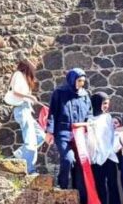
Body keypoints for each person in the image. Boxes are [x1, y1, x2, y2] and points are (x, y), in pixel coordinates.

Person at [45, 68, 92, 201]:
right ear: (72, 79)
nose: (81, 84)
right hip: (63, 132)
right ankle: (63, 186)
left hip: (80, 135)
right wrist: (50, 131)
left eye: (83, 81)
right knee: (68, 159)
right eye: (79, 80)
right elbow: (52, 112)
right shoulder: (59, 93)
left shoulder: (85, 95)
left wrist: (87, 125)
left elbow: (89, 113)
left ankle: (80, 196)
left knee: (80, 164)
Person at [7, 60, 46, 174]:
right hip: (22, 109)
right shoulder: (18, 74)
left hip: (26, 110)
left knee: (40, 136)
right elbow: (16, 91)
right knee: (30, 140)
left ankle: (18, 155)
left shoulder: (24, 77)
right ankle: (29, 168)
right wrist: (30, 97)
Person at [88, 92, 121, 204]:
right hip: (96, 158)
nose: (106, 106)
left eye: (107, 103)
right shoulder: (89, 119)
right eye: (104, 103)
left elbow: (110, 136)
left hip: (109, 156)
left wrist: (109, 150)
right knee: (99, 185)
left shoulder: (107, 117)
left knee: (112, 185)